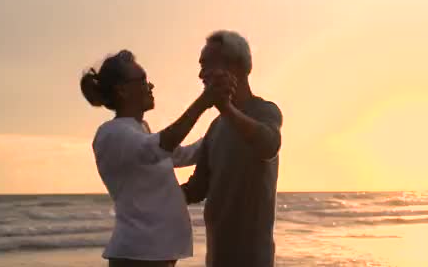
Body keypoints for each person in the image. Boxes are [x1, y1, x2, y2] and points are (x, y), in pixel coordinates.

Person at [80, 49, 234, 267]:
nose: (150, 86)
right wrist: (204, 101)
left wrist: (226, 119)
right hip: (138, 257)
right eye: (143, 80)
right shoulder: (111, 133)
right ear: (122, 90)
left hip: (155, 256)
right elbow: (161, 145)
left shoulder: (139, 129)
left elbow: (185, 153)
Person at [181, 31, 283, 267]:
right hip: (216, 258)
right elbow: (196, 189)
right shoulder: (216, 127)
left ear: (235, 67)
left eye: (207, 65)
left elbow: (268, 145)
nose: (200, 74)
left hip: (253, 258)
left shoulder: (264, 111)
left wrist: (225, 108)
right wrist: (149, 193)